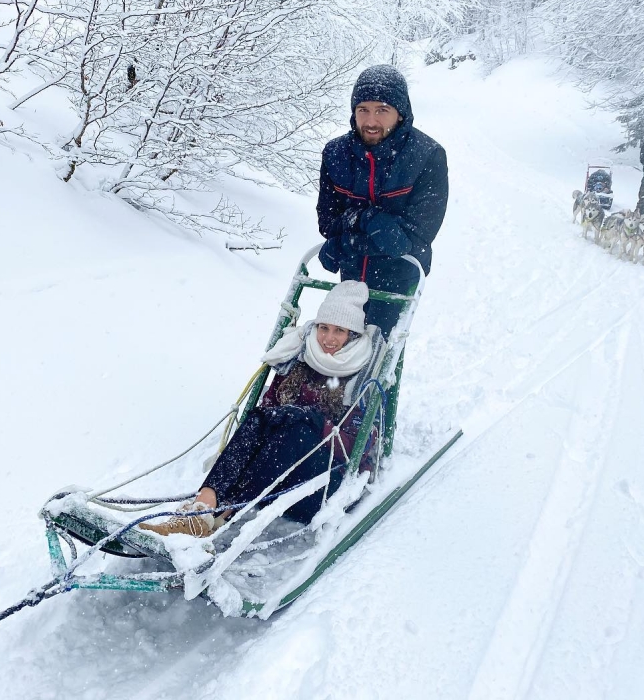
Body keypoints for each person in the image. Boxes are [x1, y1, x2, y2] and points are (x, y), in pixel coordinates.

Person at [140, 281, 381, 538]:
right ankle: (203, 507)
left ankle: (221, 513)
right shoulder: (299, 358)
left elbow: (362, 443)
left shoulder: (361, 374)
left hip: (321, 489)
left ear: (352, 335)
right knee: (258, 418)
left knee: (298, 427)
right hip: (274, 481)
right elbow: (267, 417)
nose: (328, 339)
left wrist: (313, 422)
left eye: (339, 331)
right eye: (323, 328)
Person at [316, 65, 449, 337]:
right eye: (363, 109)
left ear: (400, 113)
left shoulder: (427, 156)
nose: (371, 121)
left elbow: (412, 237)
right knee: (337, 350)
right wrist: (366, 224)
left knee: (379, 352)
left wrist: (358, 226)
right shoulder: (336, 154)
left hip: (398, 276)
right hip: (351, 276)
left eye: (382, 110)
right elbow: (328, 222)